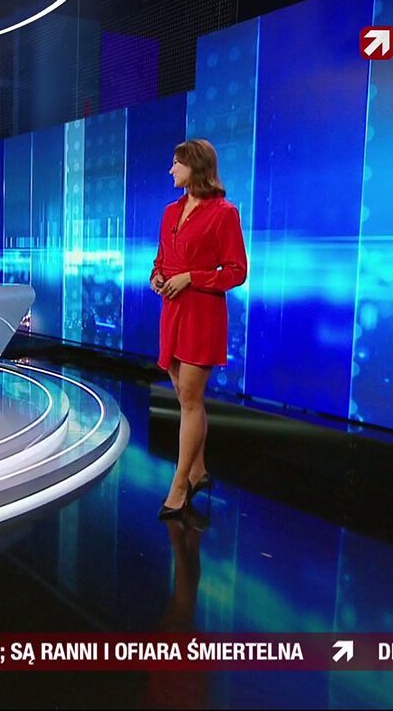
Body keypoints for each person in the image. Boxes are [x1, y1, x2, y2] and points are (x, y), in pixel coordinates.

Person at [150, 139, 248, 519]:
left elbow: (236, 271)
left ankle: (179, 486)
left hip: (201, 314)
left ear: (196, 166)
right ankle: (199, 471)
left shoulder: (224, 213)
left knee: (190, 400)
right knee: (186, 398)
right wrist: (158, 276)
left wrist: (192, 277)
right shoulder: (170, 211)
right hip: (172, 310)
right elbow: (162, 258)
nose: (171, 170)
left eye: (177, 163)